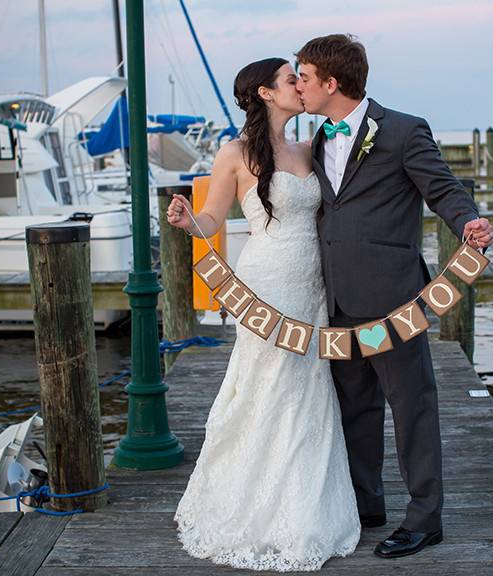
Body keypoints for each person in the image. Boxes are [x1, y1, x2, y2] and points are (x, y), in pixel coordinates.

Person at [295, 34, 493, 559]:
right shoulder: (317, 141)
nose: (299, 85)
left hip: (393, 299)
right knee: (355, 406)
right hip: (336, 299)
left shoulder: (403, 131)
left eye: (305, 77)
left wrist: (469, 220)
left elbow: (444, 187)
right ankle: (366, 506)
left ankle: (426, 519)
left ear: (332, 83)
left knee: (413, 409)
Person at [166, 58, 361, 572]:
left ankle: (306, 507)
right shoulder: (233, 153)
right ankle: (246, 503)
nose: (301, 85)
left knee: (308, 388)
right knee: (266, 385)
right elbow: (213, 218)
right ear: (266, 93)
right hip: (266, 283)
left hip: (312, 283)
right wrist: (190, 220)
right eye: (291, 79)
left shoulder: (309, 148)